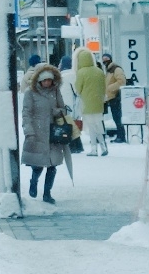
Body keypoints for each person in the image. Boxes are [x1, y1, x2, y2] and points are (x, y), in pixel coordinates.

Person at [20, 62, 71, 203]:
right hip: (38, 132)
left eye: (50, 80)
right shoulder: (30, 93)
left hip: (54, 132)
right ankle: (34, 182)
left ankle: (47, 193)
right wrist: (29, 131)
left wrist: (56, 112)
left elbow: (62, 108)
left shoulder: (55, 92)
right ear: (39, 80)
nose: (47, 83)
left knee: (53, 165)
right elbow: (26, 113)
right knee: (38, 165)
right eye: (45, 80)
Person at [73, 49, 108, 156]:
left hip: (86, 103)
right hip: (99, 103)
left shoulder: (81, 72)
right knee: (98, 124)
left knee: (92, 127)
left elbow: (77, 89)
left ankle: (94, 149)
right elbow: (104, 87)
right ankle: (103, 145)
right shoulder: (99, 71)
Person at [101, 54, 128, 143]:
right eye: (103, 59)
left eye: (106, 59)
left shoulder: (116, 69)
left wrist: (109, 88)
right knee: (115, 117)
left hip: (115, 96)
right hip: (110, 96)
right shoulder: (108, 70)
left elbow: (122, 82)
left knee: (117, 117)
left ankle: (121, 136)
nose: (105, 61)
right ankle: (120, 135)